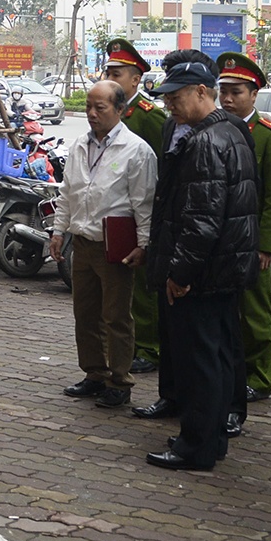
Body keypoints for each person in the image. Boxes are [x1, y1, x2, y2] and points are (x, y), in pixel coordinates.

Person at [140, 51, 258, 472]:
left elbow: (202, 219)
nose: (169, 104)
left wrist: (180, 273)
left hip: (204, 269)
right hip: (223, 267)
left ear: (202, 91)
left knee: (200, 361)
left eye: (176, 96)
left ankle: (196, 445)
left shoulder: (206, 141)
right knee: (219, 355)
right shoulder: (231, 130)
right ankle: (210, 437)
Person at [49, 81, 157, 409]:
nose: (92, 114)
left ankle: (119, 380)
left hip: (116, 247)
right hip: (82, 243)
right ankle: (94, 373)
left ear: (120, 110)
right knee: (85, 313)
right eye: (89, 107)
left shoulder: (136, 150)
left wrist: (143, 244)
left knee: (116, 317)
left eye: (101, 108)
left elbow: (145, 203)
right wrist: (58, 232)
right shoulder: (80, 145)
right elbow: (68, 192)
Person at [216, 52, 271, 407]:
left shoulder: (270, 136)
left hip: (251, 243)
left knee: (255, 313)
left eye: (237, 92)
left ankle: (260, 376)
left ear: (254, 93)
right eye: (224, 92)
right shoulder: (216, 128)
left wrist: (266, 245)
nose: (228, 99)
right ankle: (231, 374)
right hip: (220, 238)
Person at [101, 40, 166, 374]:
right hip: (114, 214)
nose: (110, 78)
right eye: (108, 72)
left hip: (143, 213)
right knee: (117, 288)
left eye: (117, 73)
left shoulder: (150, 117)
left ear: (136, 79)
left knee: (142, 288)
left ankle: (150, 347)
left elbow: (162, 170)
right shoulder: (107, 109)